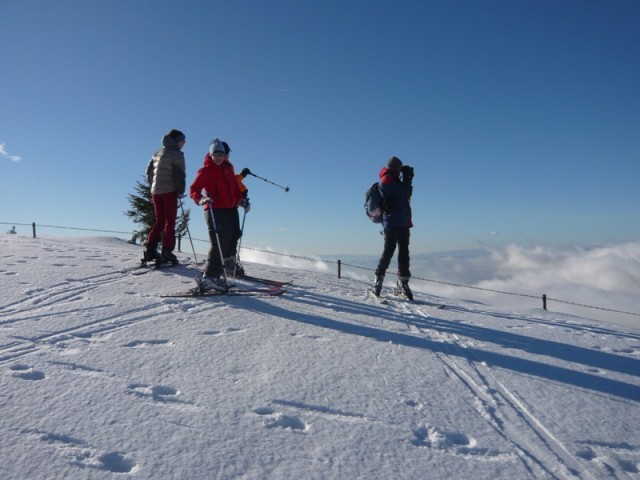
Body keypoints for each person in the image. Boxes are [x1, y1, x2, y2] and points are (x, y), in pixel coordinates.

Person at [190, 138, 250, 289]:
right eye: (215, 155)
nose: (218, 158)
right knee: (220, 241)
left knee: (235, 234)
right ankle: (210, 276)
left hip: (231, 208)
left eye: (221, 155)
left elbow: (235, 189)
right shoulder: (206, 171)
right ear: (210, 155)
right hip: (214, 209)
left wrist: (242, 201)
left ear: (225, 155)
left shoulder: (228, 168)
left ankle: (229, 263)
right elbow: (194, 189)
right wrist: (201, 199)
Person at [371, 156, 414, 300]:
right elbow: (404, 193)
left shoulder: (393, 179)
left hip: (402, 222)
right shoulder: (386, 179)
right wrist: (407, 179)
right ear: (395, 168)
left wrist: (406, 180)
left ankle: (403, 283)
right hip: (392, 223)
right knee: (388, 252)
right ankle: (378, 281)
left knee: (404, 254)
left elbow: (405, 195)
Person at [143, 129, 187, 265]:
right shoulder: (177, 155)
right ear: (176, 141)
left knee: (159, 221)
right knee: (170, 222)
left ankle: (150, 249)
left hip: (156, 191)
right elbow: (180, 174)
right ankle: (167, 252)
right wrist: (180, 191)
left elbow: (148, 172)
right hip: (169, 191)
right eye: (182, 141)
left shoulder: (158, 152)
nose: (183, 143)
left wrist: (153, 185)